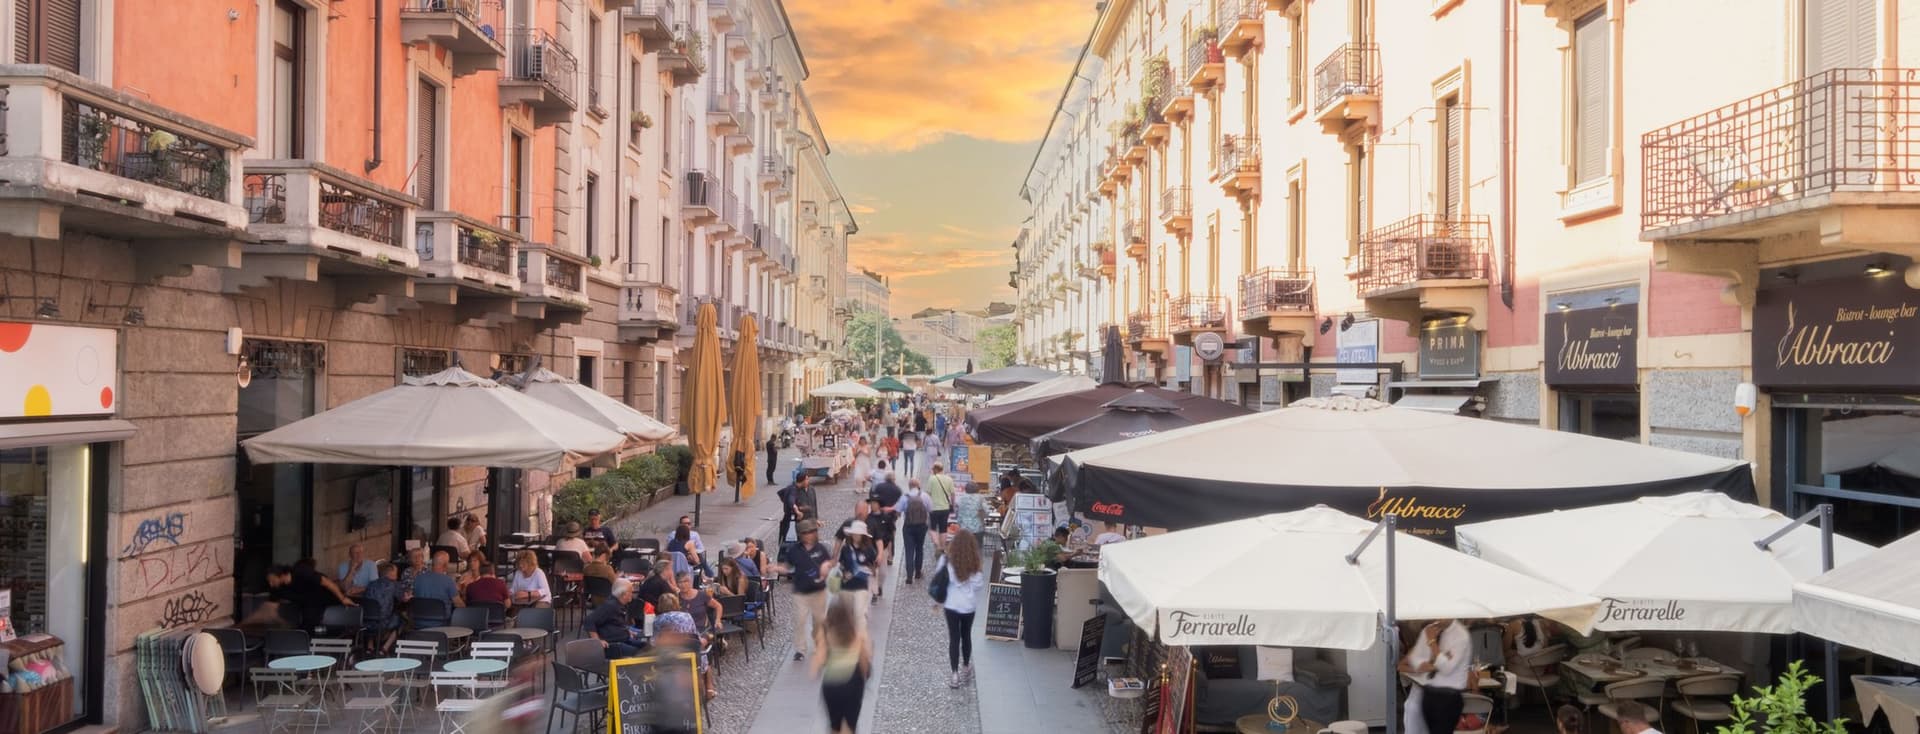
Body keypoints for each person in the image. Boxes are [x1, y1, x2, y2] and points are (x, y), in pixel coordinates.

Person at [776, 519, 835, 661]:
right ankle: (800, 649)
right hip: (801, 592)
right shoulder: (794, 550)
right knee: (800, 620)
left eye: (811, 532)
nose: (809, 535)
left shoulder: (821, 548)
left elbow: (830, 563)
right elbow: (787, 567)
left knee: (819, 621)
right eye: (806, 532)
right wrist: (776, 568)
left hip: (818, 591)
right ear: (800, 535)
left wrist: (826, 568)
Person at [812, 601, 872, 734]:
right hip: (853, 682)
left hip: (831, 684)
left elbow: (819, 660)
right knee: (850, 725)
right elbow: (864, 659)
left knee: (835, 726)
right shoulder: (857, 632)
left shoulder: (826, 632)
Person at [937, 528, 987, 688]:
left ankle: (954, 675)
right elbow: (979, 585)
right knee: (966, 636)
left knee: (954, 638)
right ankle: (966, 666)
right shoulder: (975, 563)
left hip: (951, 605)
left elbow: (939, 577)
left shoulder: (947, 560)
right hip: (968, 606)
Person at [1417, 619, 1471, 734]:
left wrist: (1432, 642)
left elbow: (1446, 669)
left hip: (1448, 698)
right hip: (1429, 693)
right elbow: (1423, 663)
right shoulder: (1434, 630)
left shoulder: (1460, 635)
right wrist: (1438, 658)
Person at [263, 562, 354, 630]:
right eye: (269, 582)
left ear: (281, 575)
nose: (271, 584)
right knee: (307, 625)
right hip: (309, 606)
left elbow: (326, 582)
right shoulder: (277, 589)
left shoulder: (301, 571)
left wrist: (342, 598)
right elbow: (272, 605)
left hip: (327, 597)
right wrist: (280, 620)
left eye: (272, 580)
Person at [587, 579, 645, 659]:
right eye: (631, 592)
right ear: (623, 594)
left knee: (646, 646)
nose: (632, 594)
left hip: (623, 638)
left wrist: (626, 630)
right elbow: (589, 620)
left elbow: (616, 622)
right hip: (613, 644)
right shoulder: (610, 606)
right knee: (642, 653)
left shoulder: (619, 604)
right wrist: (597, 641)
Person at [361, 561, 403, 654]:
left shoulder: (370, 584)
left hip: (366, 623)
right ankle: (385, 648)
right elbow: (402, 598)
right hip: (383, 622)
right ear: (391, 573)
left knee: (372, 616)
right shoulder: (394, 584)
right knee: (401, 621)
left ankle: (370, 647)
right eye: (396, 572)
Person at [837, 521, 877, 620]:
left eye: (858, 534)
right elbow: (841, 564)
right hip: (846, 585)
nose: (856, 536)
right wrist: (843, 573)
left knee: (859, 613)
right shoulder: (846, 549)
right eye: (854, 533)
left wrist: (868, 571)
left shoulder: (869, 550)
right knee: (847, 615)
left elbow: (873, 568)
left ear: (863, 535)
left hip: (861, 585)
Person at [897, 479, 932, 584]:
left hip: (908, 527)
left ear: (909, 486)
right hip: (921, 526)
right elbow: (930, 510)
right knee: (919, 548)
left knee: (909, 550)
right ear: (918, 485)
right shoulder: (925, 496)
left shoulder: (904, 497)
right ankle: (918, 572)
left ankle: (909, 576)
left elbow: (898, 512)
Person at [864, 498, 897, 594]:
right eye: (871, 503)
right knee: (872, 571)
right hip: (870, 548)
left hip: (884, 548)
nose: (872, 505)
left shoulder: (886, 517)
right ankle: (874, 590)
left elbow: (892, 530)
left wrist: (890, 543)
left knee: (882, 572)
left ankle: (879, 586)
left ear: (879, 505)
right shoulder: (867, 518)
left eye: (874, 503)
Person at [925, 463, 956, 548]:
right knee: (943, 529)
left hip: (933, 508)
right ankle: (942, 547)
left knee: (933, 528)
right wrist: (952, 505)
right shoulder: (949, 479)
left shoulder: (932, 479)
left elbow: (928, 494)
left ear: (935, 469)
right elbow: (953, 494)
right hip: (945, 508)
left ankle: (937, 544)